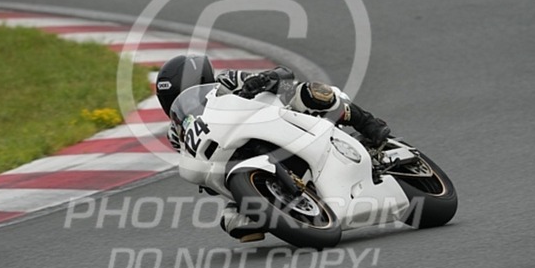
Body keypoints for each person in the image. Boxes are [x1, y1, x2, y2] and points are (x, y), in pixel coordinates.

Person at [156, 55, 391, 242]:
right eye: (169, 98)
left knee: (306, 92)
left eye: (179, 92)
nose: (174, 101)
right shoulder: (176, 134)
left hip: (276, 118)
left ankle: (367, 123)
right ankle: (283, 204)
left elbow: (283, 74)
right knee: (234, 223)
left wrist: (262, 79)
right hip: (240, 160)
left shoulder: (227, 81)